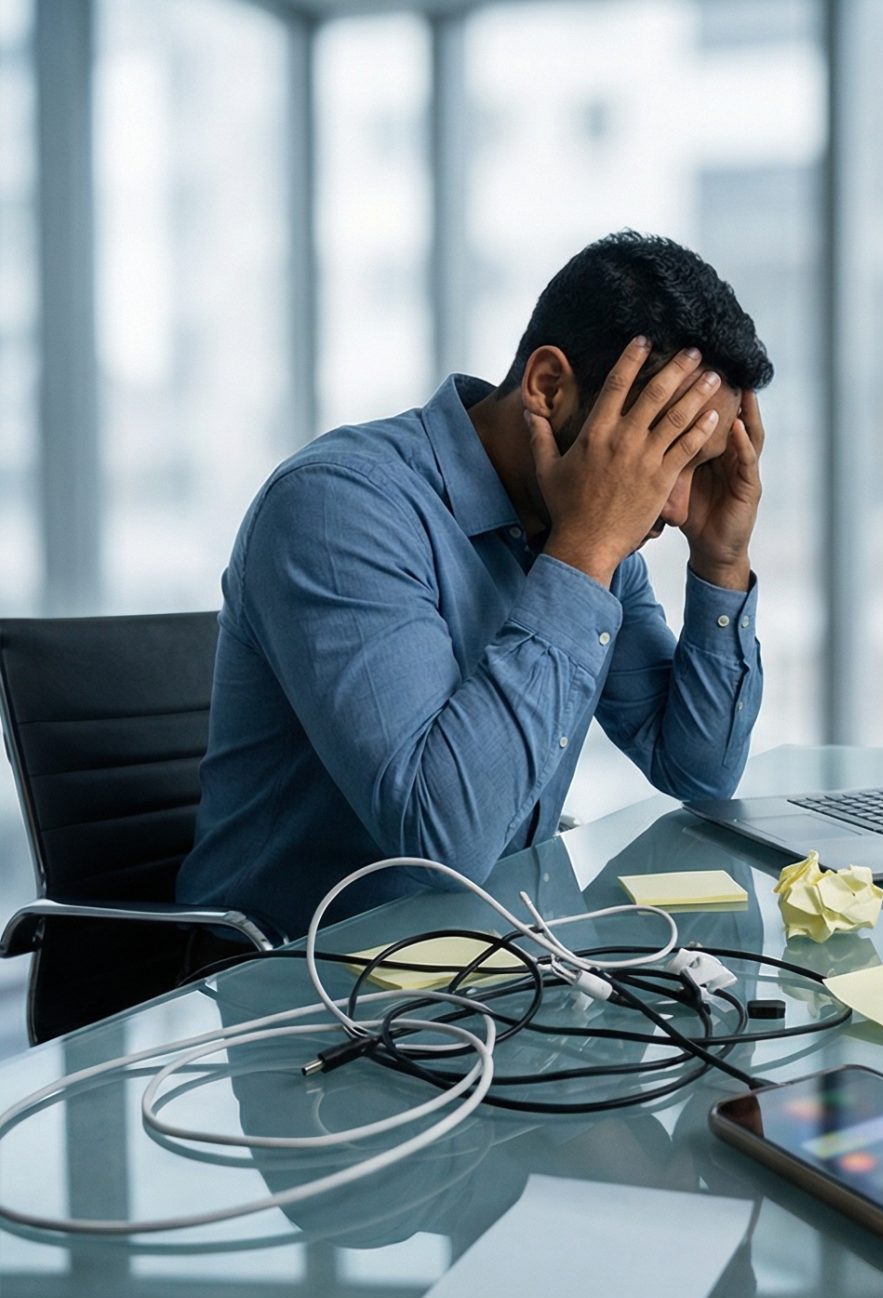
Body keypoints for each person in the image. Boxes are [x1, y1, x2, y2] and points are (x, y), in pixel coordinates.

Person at [177, 231, 773, 938]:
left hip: (483, 972)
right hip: (284, 989)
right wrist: (584, 551)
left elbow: (698, 771)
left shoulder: (588, 531)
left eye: (695, 468)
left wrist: (720, 561)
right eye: (659, 458)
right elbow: (441, 841)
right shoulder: (338, 506)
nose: (671, 508)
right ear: (549, 388)